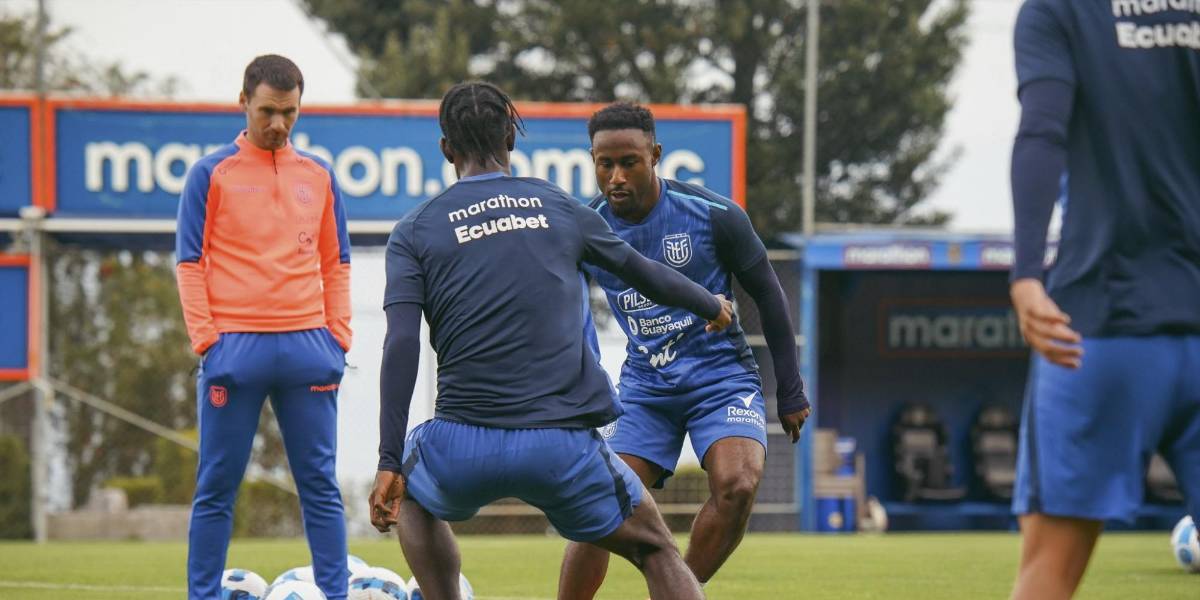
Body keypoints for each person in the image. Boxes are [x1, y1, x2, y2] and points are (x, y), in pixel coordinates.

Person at [367, 81, 732, 600]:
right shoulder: (558, 206)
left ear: (446, 149)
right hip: (561, 448)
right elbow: (643, 271)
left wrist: (387, 461)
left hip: (460, 444)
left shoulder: (414, 230)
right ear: (511, 139)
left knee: (411, 494)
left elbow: (401, 345)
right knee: (656, 549)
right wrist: (711, 304)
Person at [558, 102, 810, 596]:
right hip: (645, 386)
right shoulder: (586, 227)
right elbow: (560, 310)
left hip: (722, 379)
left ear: (655, 155)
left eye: (629, 162)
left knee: (738, 484)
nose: (615, 177)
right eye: (604, 164)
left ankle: (678, 592)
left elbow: (769, 293)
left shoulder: (715, 216)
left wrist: (791, 388)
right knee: (597, 500)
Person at [1008, 3, 1200, 599]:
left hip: (1099, 328)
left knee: (1048, 571)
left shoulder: (1058, 9)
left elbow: (1042, 130)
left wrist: (1027, 274)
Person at [175, 54, 352, 600]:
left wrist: (338, 338)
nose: (278, 124)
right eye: (268, 111)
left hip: (309, 349)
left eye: (289, 113)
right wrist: (207, 341)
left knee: (320, 485)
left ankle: (336, 595)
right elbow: (189, 262)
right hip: (235, 349)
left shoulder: (319, 175)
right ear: (244, 103)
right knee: (216, 487)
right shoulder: (210, 174)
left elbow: (337, 263)